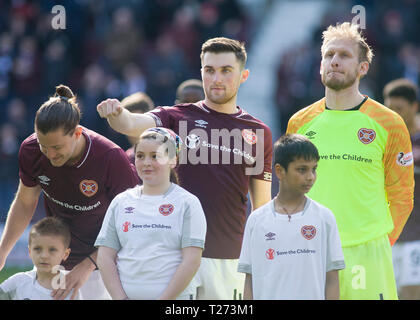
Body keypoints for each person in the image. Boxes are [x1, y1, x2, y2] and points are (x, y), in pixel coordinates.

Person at [97, 37, 273, 300]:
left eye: (226, 71)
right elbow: (133, 124)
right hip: (173, 260)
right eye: (210, 70)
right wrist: (116, 113)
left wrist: (258, 264)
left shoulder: (258, 132)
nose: (217, 78)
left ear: (243, 75)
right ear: (201, 72)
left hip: (227, 260)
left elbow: (262, 208)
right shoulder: (176, 116)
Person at [286, 22, 414, 300]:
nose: (334, 61)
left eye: (344, 55)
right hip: (311, 252)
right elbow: (290, 192)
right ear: (320, 64)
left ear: (363, 68)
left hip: (368, 255)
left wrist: (379, 243)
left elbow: (402, 195)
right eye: (329, 55)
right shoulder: (300, 121)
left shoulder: (389, 123)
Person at [0, 85, 140, 300]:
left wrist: (88, 265)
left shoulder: (110, 158)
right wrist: (2, 252)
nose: (49, 155)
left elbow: (131, 223)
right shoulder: (30, 150)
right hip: (60, 262)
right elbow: (25, 201)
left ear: (77, 133)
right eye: (43, 146)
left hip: (111, 264)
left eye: (56, 147)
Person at [95, 127, 206, 300]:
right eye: (140, 156)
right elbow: (105, 257)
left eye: (155, 156)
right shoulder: (120, 202)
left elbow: (192, 261)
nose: (146, 162)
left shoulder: (188, 203)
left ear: (173, 160)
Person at [238, 134, 345, 300]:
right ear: (280, 171)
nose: (310, 176)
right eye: (302, 169)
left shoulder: (324, 218)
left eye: (314, 169)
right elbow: (249, 281)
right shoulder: (257, 220)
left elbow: (332, 279)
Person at [383, 78, 420, 300]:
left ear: (414, 107)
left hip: (416, 237)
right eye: (389, 109)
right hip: (388, 235)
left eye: (399, 109)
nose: (393, 115)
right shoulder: (384, 140)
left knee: (410, 294)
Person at [0, 217, 78, 300]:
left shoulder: (73, 289)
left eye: (52, 250)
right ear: (30, 252)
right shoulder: (17, 282)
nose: (44, 256)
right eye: (37, 249)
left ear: (65, 254)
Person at [120, 92, 155, 164]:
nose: (132, 130)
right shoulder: (128, 158)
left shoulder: (169, 149)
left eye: (137, 123)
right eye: (128, 124)